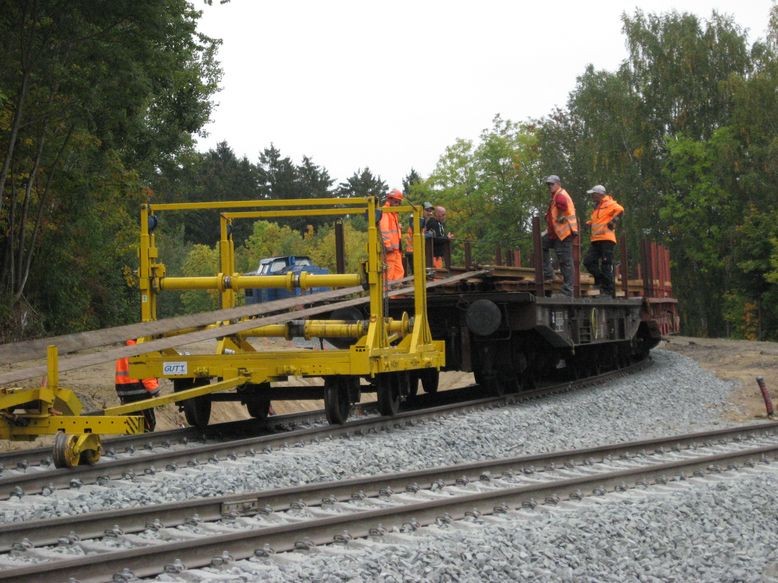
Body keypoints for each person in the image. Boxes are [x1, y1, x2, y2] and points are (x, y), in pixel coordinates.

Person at [583, 184, 624, 298]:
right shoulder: (597, 207)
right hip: (596, 240)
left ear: (600, 194)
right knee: (588, 262)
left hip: (606, 239)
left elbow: (620, 210)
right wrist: (589, 223)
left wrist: (614, 221)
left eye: (593, 194)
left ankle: (608, 291)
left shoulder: (609, 203)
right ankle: (602, 281)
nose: (592, 196)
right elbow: (598, 220)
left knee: (606, 265)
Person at [542, 174, 578, 296]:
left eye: (552, 184)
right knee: (541, 243)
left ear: (558, 184)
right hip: (556, 234)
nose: (550, 186)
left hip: (564, 234)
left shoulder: (560, 195)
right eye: (548, 185)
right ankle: (548, 273)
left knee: (565, 261)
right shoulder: (555, 196)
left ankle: (568, 290)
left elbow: (563, 206)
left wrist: (561, 215)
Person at [115, 339, 160, 432]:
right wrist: (156, 391)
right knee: (148, 424)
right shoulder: (139, 349)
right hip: (139, 392)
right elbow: (146, 374)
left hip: (124, 392)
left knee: (130, 425)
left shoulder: (123, 349)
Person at [379, 188, 405, 282]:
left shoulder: (393, 213)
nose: (397, 204)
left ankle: (395, 295)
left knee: (399, 272)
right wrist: (387, 245)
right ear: (389, 199)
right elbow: (384, 229)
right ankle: (388, 295)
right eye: (395, 201)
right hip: (390, 250)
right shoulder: (385, 211)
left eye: (398, 202)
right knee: (389, 274)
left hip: (396, 250)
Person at [403, 201, 434, 275]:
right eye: (427, 210)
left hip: (416, 250)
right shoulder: (416, 218)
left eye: (430, 211)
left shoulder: (421, 219)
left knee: (419, 274)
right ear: (421, 210)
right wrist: (429, 234)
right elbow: (417, 234)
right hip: (412, 251)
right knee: (416, 275)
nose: (430, 213)